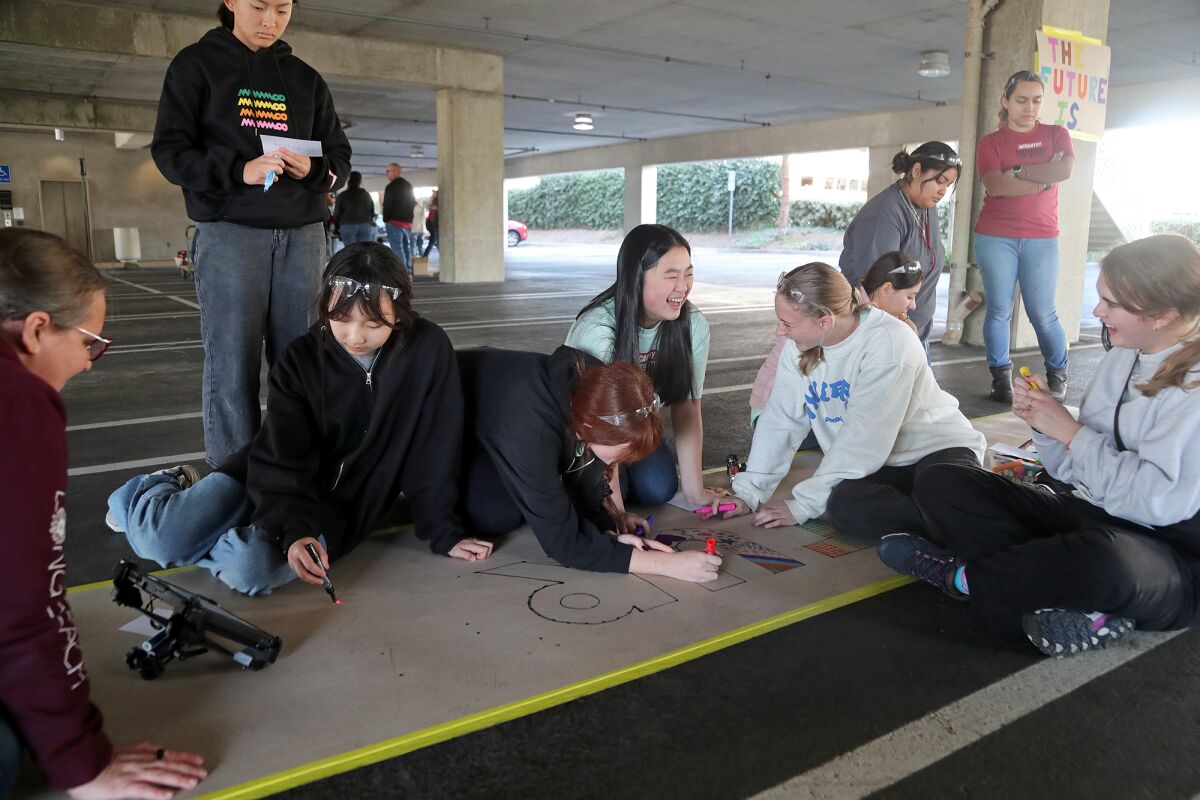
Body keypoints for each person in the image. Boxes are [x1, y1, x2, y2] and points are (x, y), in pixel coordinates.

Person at [107, 243, 490, 596]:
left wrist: (444, 531)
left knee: (249, 570)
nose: (355, 336)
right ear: (325, 302)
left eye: (374, 324)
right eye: (341, 318)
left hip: (342, 508)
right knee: (160, 539)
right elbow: (282, 452)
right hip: (268, 476)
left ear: (400, 314)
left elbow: (435, 446)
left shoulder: (427, 349)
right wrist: (295, 530)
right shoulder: (302, 358)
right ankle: (156, 488)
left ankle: (210, 534)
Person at [879, 234, 1200, 657]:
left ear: (1163, 315)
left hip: (1164, 550)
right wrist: (1046, 424)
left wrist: (1070, 432)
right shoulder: (1123, 357)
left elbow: (1158, 503)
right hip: (1091, 514)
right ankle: (1054, 596)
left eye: (1112, 303)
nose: (1098, 311)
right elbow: (1072, 471)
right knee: (944, 481)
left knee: (1105, 562)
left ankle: (963, 579)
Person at [0, 229, 207, 799]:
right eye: (90, 341)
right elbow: (22, 607)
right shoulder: (18, 403)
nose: (90, 363)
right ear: (38, 328)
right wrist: (80, 761)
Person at [151, 0, 353, 468]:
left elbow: (339, 158)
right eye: (259, 6)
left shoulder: (305, 78)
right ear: (230, 2)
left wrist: (317, 168)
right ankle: (234, 478)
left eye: (283, 9)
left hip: (303, 236)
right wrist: (237, 169)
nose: (270, 21)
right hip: (230, 233)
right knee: (232, 366)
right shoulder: (195, 65)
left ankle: (301, 471)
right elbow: (169, 152)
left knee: (303, 362)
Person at [724, 263, 985, 538]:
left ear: (825, 321)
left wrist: (803, 505)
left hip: (936, 449)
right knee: (844, 507)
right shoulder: (798, 348)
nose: (780, 332)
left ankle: (955, 522)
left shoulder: (889, 341)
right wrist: (748, 492)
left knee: (947, 491)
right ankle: (947, 525)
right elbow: (780, 420)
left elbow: (864, 438)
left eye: (787, 324)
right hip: (881, 464)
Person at [457, 347, 722, 582]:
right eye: (615, 458)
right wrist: (667, 565)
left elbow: (587, 472)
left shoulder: (600, 385)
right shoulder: (531, 428)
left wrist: (607, 530)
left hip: (504, 412)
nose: (617, 466)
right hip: (455, 424)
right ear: (586, 427)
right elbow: (563, 544)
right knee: (495, 515)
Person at [566, 224, 729, 512]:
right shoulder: (598, 332)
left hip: (634, 431)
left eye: (689, 274)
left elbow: (688, 406)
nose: (683, 286)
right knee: (615, 495)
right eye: (671, 276)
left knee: (659, 488)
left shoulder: (693, 325)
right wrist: (616, 515)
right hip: (591, 440)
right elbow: (599, 429)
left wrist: (694, 492)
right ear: (637, 278)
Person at [975, 69, 1075, 403]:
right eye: (1021, 100)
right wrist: (1042, 176)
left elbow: (1064, 170)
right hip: (995, 236)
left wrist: (1017, 172)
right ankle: (1000, 378)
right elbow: (997, 186)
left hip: (1042, 237)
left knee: (1042, 312)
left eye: (1036, 100)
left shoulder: (1056, 134)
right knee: (999, 310)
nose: (1029, 107)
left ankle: (1057, 373)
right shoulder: (991, 143)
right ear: (1005, 101)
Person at [749, 251, 925, 427]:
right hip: (775, 411)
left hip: (792, 410)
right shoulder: (844, 318)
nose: (913, 305)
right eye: (910, 296)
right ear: (886, 289)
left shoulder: (856, 311)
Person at [839, 141, 960, 345]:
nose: (943, 191)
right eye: (940, 181)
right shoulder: (883, 214)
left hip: (913, 332)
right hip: (885, 336)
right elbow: (876, 288)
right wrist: (903, 326)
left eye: (948, 185)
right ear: (916, 170)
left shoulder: (926, 206)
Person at [382, 163, 416, 272]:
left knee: (397, 247)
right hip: (408, 222)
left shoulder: (390, 187)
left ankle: (402, 272)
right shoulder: (408, 185)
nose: (387, 173)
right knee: (406, 247)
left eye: (389, 171)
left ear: (397, 171)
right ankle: (409, 269)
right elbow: (412, 202)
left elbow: (387, 205)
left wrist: (385, 219)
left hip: (394, 222)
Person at [333, 171, 377, 246]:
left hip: (348, 225)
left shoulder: (342, 195)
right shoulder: (366, 195)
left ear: (348, 180)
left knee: (351, 252)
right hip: (366, 224)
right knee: (364, 251)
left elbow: (336, 213)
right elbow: (372, 212)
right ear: (360, 181)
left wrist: (337, 227)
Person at [422, 190, 439, 257]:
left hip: (432, 223)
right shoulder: (434, 202)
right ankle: (424, 256)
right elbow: (430, 206)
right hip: (431, 223)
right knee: (433, 240)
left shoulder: (436, 202)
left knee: (435, 240)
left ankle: (424, 256)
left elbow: (431, 206)